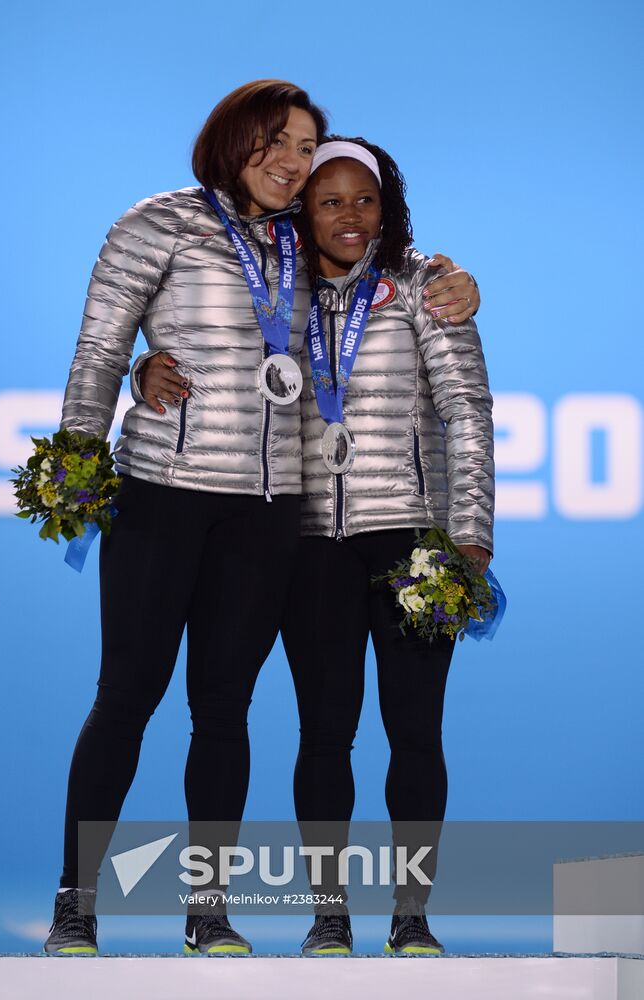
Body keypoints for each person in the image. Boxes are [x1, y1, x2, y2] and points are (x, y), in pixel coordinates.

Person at [54, 81, 480, 958]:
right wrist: (109, 415)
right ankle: (76, 904)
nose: (294, 164)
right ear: (232, 142)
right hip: (163, 501)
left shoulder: (315, 248)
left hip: (267, 517)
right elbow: (103, 343)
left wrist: (455, 281)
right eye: (277, 145)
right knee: (126, 699)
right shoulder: (158, 223)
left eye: (305, 146)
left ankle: (209, 911)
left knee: (225, 713)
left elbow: (384, 282)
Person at [282, 137, 494, 956]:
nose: (348, 215)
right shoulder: (275, 292)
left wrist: (468, 534)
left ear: (387, 207)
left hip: (414, 542)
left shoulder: (423, 289)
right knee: (323, 734)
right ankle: (329, 914)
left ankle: (411, 916)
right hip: (311, 545)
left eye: (363, 199)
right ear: (303, 207)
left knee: (416, 733)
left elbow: (468, 413)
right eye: (328, 199)